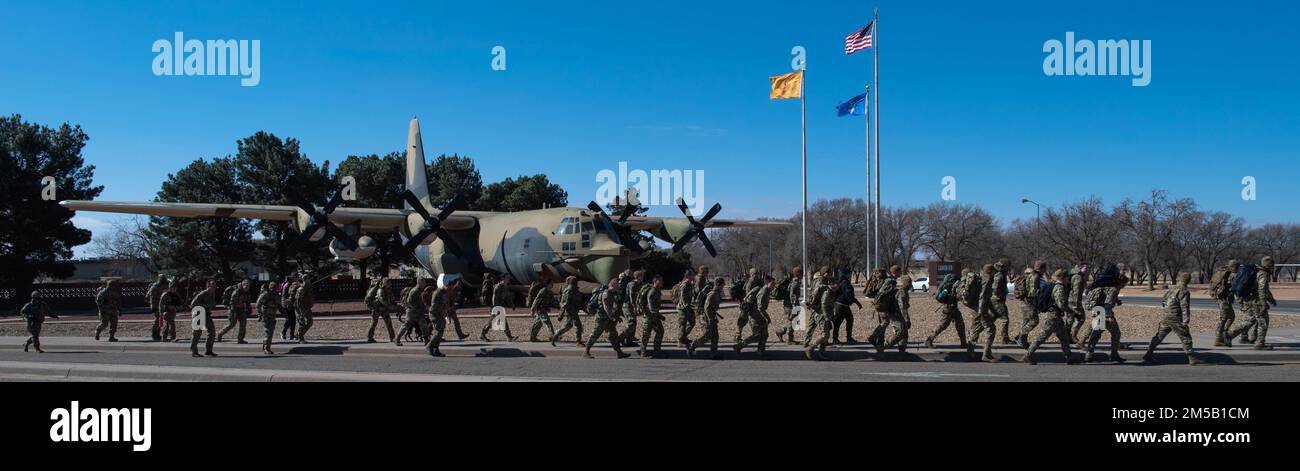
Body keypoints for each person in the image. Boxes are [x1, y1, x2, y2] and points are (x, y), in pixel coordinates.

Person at [1020, 269, 1082, 365]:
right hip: (1053, 317)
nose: (1068, 280)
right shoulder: (1059, 288)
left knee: (1064, 337)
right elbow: (1061, 304)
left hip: (1056, 317)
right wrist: (1071, 312)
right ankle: (1028, 355)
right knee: (1042, 337)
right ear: (1063, 277)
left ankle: (1069, 357)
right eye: (1067, 278)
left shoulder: (1056, 286)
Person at [1143, 272, 1203, 365]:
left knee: (1159, 336)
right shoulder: (1184, 290)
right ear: (1188, 280)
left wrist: (1167, 312)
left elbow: (1163, 301)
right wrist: (1186, 319)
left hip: (1166, 316)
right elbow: (1184, 306)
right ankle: (1192, 358)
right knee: (1185, 336)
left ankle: (1148, 354)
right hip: (1175, 317)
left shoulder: (1172, 289)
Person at [1224, 256, 1278, 350]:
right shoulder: (1263, 274)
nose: (1273, 267)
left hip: (1249, 299)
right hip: (1256, 301)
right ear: (1269, 265)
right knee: (1263, 321)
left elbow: (1264, 290)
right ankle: (1260, 344)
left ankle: (1230, 334)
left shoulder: (1255, 271)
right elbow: (1262, 290)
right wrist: (1263, 304)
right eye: (1272, 265)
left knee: (1250, 319)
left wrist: (1271, 299)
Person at [1083, 263, 1127, 363]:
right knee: (1116, 333)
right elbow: (1107, 302)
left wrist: (1116, 300)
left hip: (1097, 310)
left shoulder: (1101, 283)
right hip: (1104, 313)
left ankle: (1089, 355)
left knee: (1096, 334)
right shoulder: (1113, 288)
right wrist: (1109, 316)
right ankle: (1114, 355)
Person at [584, 278, 630, 359]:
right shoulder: (606, 293)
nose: (619, 286)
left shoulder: (612, 293)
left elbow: (613, 307)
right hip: (601, 318)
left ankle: (619, 353)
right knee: (595, 334)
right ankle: (586, 351)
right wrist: (613, 317)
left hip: (608, 319)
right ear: (613, 285)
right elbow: (607, 308)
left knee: (614, 335)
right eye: (617, 285)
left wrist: (616, 316)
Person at [686, 278, 726, 360]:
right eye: (722, 284)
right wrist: (710, 319)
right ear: (718, 284)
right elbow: (707, 308)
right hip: (706, 318)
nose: (723, 286)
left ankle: (713, 354)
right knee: (707, 336)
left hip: (711, 317)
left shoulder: (717, 293)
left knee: (715, 336)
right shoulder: (712, 294)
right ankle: (692, 346)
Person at [735, 276, 774, 359]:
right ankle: (740, 345)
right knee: (756, 335)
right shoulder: (763, 292)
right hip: (755, 316)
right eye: (772, 283)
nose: (774, 285)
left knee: (764, 335)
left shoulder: (767, 291)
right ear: (767, 283)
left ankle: (760, 352)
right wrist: (767, 317)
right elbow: (760, 307)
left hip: (760, 316)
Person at [926, 273, 966, 350]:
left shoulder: (952, 287)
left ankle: (963, 343)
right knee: (942, 326)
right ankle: (929, 340)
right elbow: (941, 297)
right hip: (948, 309)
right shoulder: (947, 288)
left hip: (954, 308)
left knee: (960, 325)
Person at [803, 272, 834, 361]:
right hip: (821, 313)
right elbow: (824, 304)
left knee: (825, 333)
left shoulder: (818, 283)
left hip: (817, 311)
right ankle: (811, 347)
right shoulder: (826, 290)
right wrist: (827, 319)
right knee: (824, 334)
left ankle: (821, 353)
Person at [1016, 261, 1047, 349]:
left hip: (1023, 302)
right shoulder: (1035, 276)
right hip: (1028, 302)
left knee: (1026, 321)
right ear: (1041, 268)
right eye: (1044, 269)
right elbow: (1033, 291)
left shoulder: (1029, 274)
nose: (1045, 271)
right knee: (1034, 321)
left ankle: (1022, 341)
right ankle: (1020, 337)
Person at [425, 278, 460, 357]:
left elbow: (446, 304)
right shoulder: (438, 292)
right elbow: (434, 306)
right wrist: (442, 310)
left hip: (441, 315)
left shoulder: (445, 293)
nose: (451, 290)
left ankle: (436, 349)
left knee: (440, 333)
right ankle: (429, 345)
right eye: (450, 288)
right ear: (446, 285)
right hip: (435, 314)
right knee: (437, 332)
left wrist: (448, 309)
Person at [481, 275, 518, 342]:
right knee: (491, 322)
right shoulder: (498, 287)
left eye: (508, 278)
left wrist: (512, 305)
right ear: (503, 278)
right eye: (507, 278)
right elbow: (494, 299)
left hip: (500, 306)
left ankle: (509, 337)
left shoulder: (505, 287)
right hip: (495, 307)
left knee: (503, 321)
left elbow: (508, 297)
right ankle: (482, 335)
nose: (508, 279)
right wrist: (497, 308)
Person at [1212, 260, 1240, 347]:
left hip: (1220, 298)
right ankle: (1218, 339)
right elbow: (1233, 287)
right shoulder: (1230, 275)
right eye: (1237, 266)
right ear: (1234, 266)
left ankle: (1223, 333)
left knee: (1231, 317)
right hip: (1224, 300)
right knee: (1223, 318)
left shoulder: (1221, 272)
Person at [551, 276, 585, 346]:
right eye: (575, 281)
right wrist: (561, 314)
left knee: (568, 326)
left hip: (574, 310)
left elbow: (578, 301)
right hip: (571, 311)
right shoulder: (569, 289)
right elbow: (565, 302)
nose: (576, 282)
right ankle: (578, 341)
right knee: (578, 325)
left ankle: (556, 335)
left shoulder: (574, 289)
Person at [639, 275, 666, 358]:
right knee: (646, 334)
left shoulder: (657, 290)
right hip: (649, 316)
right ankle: (643, 353)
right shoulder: (652, 291)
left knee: (660, 331)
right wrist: (660, 315)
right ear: (655, 281)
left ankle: (657, 351)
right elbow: (651, 307)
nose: (662, 282)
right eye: (660, 280)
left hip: (655, 316)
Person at [397, 278, 430, 346]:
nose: (425, 283)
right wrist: (417, 308)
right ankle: (397, 338)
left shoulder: (421, 290)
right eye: (424, 282)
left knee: (423, 324)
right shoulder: (414, 290)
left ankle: (426, 340)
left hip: (419, 311)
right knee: (407, 324)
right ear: (419, 282)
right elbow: (409, 301)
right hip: (411, 311)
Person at [190, 279, 219, 357]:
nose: (214, 287)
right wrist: (204, 306)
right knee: (197, 333)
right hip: (198, 313)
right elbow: (193, 304)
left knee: (212, 332)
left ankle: (208, 350)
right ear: (208, 286)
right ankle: (194, 351)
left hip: (207, 314)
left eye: (214, 286)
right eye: (212, 286)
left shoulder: (213, 294)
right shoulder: (203, 294)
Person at [832, 270, 862, 344]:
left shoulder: (842, 281)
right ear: (846, 274)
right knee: (838, 322)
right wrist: (854, 301)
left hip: (844, 305)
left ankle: (849, 337)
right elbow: (848, 294)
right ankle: (835, 339)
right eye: (849, 273)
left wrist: (855, 301)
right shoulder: (845, 283)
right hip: (841, 305)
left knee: (850, 319)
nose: (850, 275)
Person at [366, 277, 397, 343]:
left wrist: (395, 304)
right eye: (388, 283)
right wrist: (389, 306)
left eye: (390, 283)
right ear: (385, 283)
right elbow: (381, 299)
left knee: (389, 323)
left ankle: (393, 337)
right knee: (374, 323)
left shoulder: (389, 290)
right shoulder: (380, 290)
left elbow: (392, 298)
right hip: (377, 309)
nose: (390, 284)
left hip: (384, 309)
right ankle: (370, 337)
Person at [619, 270, 644, 347]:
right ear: (638, 276)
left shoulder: (639, 284)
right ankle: (620, 338)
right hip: (628, 305)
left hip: (632, 306)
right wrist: (635, 307)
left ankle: (628, 340)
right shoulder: (632, 284)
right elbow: (632, 297)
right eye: (642, 276)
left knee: (634, 323)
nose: (643, 277)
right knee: (631, 322)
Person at [1066, 263, 1090, 344]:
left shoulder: (1074, 274)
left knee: (1070, 319)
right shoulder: (1078, 277)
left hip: (1069, 300)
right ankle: (1073, 336)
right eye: (1085, 268)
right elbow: (1076, 291)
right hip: (1074, 302)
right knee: (1081, 318)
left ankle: (1067, 337)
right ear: (1080, 268)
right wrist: (1076, 305)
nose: (1086, 270)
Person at [673, 271, 696, 347]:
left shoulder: (690, 284)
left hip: (688, 307)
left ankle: (683, 337)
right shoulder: (684, 285)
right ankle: (680, 341)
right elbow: (682, 297)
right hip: (683, 308)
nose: (694, 276)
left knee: (692, 322)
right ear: (688, 276)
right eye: (692, 275)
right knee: (682, 324)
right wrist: (686, 306)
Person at [255, 283, 278, 354]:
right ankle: (266, 348)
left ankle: (266, 346)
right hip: (266, 315)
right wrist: (260, 315)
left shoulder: (275, 295)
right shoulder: (265, 294)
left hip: (272, 315)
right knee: (268, 332)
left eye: (274, 288)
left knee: (270, 332)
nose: (273, 289)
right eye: (272, 288)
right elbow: (258, 304)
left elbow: (278, 304)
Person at [146, 275, 169, 341]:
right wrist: (153, 306)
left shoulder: (165, 285)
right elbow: (152, 297)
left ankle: (158, 333)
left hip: (162, 305)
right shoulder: (155, 286)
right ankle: (154, 334)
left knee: (160, 319)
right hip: (156, 305)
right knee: (157, 320)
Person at [294, 273, 316, 343]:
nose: (309, 280)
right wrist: (301, 311)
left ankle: (299, 334)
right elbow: (298, 301)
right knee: (302, 323)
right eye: (308, 279)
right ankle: (300, 338)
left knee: (310, 322)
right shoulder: (301, 289)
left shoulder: (308, 287)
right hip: (300, 308)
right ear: (305, 280)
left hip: (307, 307)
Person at [279, 276, 298, 340]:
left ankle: (292, 335)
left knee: (293, 320)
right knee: (289, 319)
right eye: (296, 277)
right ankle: (283, 332)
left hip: (289, 304)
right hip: (287, 305)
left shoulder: (288, 285)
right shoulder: (287, 285)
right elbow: (288, 295)